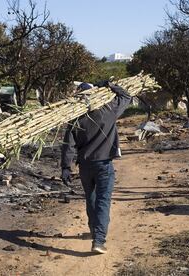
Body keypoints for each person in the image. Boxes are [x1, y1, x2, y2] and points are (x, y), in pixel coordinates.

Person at [60, 81, 131, 254]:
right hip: (104, 164)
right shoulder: (109, 110)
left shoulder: (76, 118)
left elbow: (68, 145)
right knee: (102, 201)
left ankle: (94, 230)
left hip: (85, 166)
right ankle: (98, 240)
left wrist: (65, 167)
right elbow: (126, 96)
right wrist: (110, 85)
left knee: (91, 199)